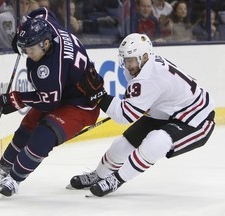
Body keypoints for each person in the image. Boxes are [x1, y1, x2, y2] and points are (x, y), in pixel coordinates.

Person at [69, 33, 215, 197]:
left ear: (144, 56)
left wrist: (98, 95)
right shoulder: (143, 67)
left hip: (196, 119)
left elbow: (124, 116)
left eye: (130, 59)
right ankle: (99, 175)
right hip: (166, 112)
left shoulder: (148, 78)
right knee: (122, 144)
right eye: (125, 59)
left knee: (157, 141)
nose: (127, 64)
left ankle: (116, 179)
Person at [0, 7, 100, 197]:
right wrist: (23, 28)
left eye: (31, 49)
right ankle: (1, 172)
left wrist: (15, 99)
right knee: (25, 130)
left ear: (45, 44)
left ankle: (14, 179)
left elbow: (49, 101)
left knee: (43, 134)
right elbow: (42, 10)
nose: (27, 52)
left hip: (79, 104)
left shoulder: (51, 68)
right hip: (61, 92)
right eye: (25, 48)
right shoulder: (46, 25)